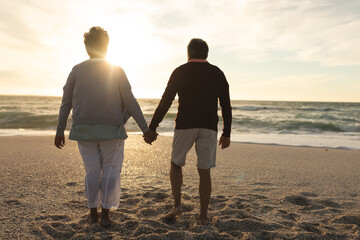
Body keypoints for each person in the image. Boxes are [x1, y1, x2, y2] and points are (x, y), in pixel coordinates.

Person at [54, 26, 157, 227]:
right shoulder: (116, 70)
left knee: (92, 171)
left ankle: (93, 213)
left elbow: (66, 103)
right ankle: (106, 215)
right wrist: (146, 129)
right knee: (110, 171)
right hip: (112, 131)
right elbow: (130, 102)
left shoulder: (76, 70)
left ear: (86, 47)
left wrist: (60, 130)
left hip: (84, 131)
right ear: (107, 46)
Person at [146, 38, 232, 225]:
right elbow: (226, 105)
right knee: (204, 170)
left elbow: (166, 101)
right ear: (206, 54)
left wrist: (152, 127)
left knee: (176, 163)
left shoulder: (180, 71)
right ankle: (203, 216)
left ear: (188, 53)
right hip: (209, 127)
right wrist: (227, 133)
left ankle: (177, 205)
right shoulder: (217, 73)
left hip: (185, 125)